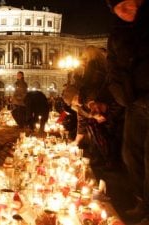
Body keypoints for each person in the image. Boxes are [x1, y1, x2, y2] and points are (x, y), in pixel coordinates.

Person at [106, 0, 149, 223]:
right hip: (134, 102)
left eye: (132, 5)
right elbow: (112, 66)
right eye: (121, 8)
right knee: (131, 154)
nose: (128, 11)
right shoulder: (116, 34)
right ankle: (142, 202)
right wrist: (118, 92)